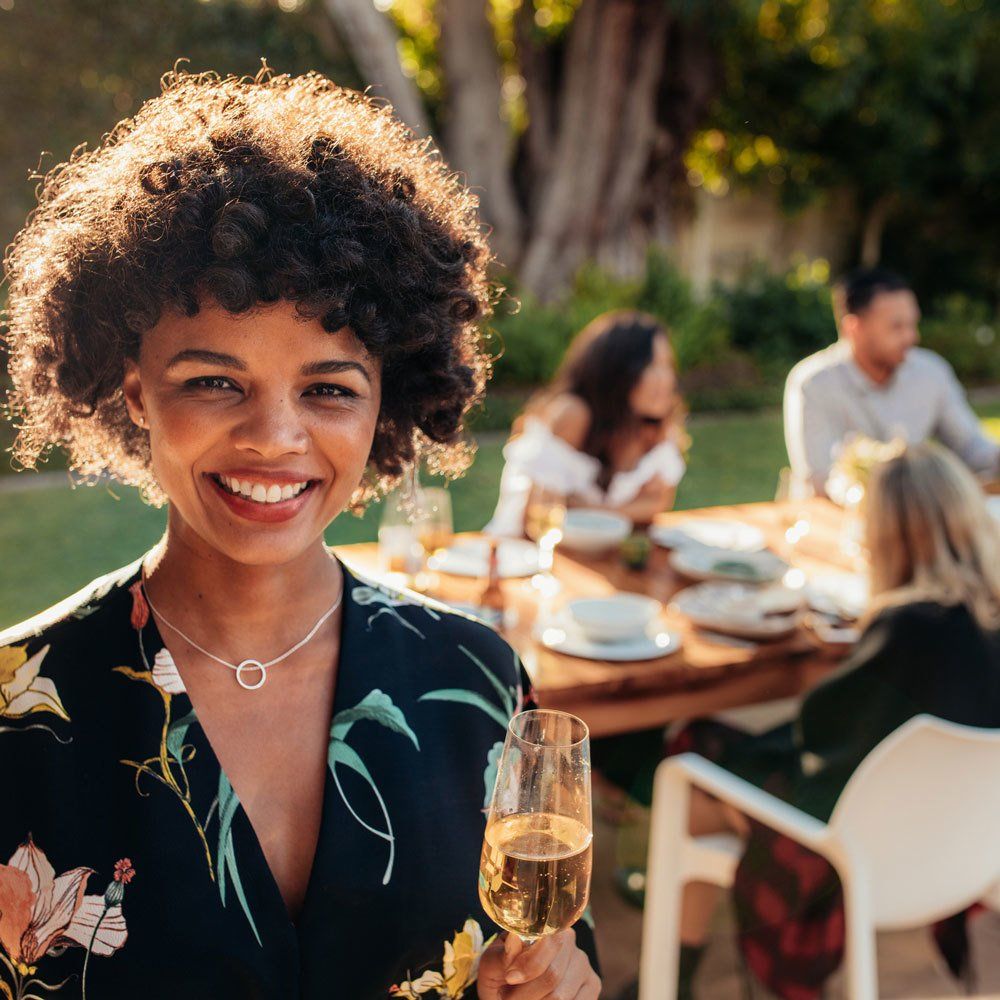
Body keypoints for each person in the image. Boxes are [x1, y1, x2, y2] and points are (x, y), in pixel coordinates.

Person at [0, 69, 600, 1000]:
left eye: (328, 388)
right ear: (134, 396)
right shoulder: (15, 714)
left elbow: (560, 950)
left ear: (381, 410)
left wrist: (558, 983)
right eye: (212, 380)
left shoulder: (480, 681)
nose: (276, 438)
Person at [664, 441, 1000, 999]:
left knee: (695, 762)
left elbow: (824, 738)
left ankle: (674, 972)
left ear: (884, 535)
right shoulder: (985, 622)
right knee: (723, 754)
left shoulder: (910, 630)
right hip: (963, 851)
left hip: (864, 858)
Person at [783, 267, 1000, 498]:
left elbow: (970, 445)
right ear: (853, 328)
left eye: (912, 324)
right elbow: (820, 479)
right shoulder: (814, 383)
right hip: (834, 523)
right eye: (897, 327)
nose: (912, 337)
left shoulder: (931, 372)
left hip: (916, 517)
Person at [486, 310, 686, 536]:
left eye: (667, 365)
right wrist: (623, 512)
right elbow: (535, 517)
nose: (667, 379)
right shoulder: (573, 414)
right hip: (518, 553)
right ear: (618, 370)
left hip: (593, 558)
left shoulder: (653, 426)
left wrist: (587, 509)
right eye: (652, 366)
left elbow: (658, 504)